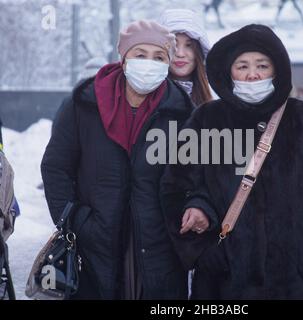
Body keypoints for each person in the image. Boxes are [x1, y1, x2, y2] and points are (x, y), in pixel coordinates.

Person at [160, 24, 303, 299]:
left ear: (276, 70)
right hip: (224, 285)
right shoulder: (207, 119)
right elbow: (176, 188)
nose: (252, 74)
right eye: (242, 66)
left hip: (296, 280)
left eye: (262, 65)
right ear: (229, 72)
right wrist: (203, 251)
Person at [41, 20, 194, 299]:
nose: (149, 63)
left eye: (159, 57)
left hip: (159, 249)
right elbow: (56, 167)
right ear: (124, 59)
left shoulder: (181, 110)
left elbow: (196, 175)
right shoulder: (83, 102)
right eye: (140, 54)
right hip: (94, 246)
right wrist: (75, 220)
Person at [159, 9, 212, 106]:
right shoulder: (149, 99)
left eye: (189, 45)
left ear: (199, 51)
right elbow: (172, 121)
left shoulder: (217, 98)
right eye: (173, 45)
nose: (180, 54)